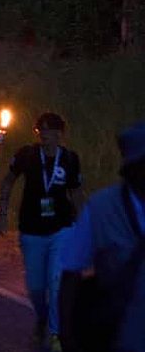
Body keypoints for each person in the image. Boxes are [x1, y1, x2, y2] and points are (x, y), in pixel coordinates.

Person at [0, 113, 82, 351]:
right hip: (32, 229)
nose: (43, 134)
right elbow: (8, 181)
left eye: (48, 129)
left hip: (61, 228)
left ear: (59, 134)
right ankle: (41, 318)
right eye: (39, 129)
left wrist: (83, 225)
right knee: (36, 287)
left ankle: (55, 334)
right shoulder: (27, 155)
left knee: (56, 281)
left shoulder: (70, 159)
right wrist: (3, 214)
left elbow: (76, 192)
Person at [59, 122, 145, 352]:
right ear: (133, 169)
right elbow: (72, 271)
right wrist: (67, 337)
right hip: (121, 337)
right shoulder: (101, 209)